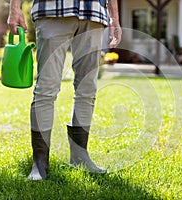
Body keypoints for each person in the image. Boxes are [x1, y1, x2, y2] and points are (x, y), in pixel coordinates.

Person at [7, 0, 122, 181]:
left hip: (93, 13)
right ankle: (39, 162)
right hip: (52, 9)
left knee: (87, 89)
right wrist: (14, 8)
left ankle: (79, 156)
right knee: (46, 88)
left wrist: (114, 17)